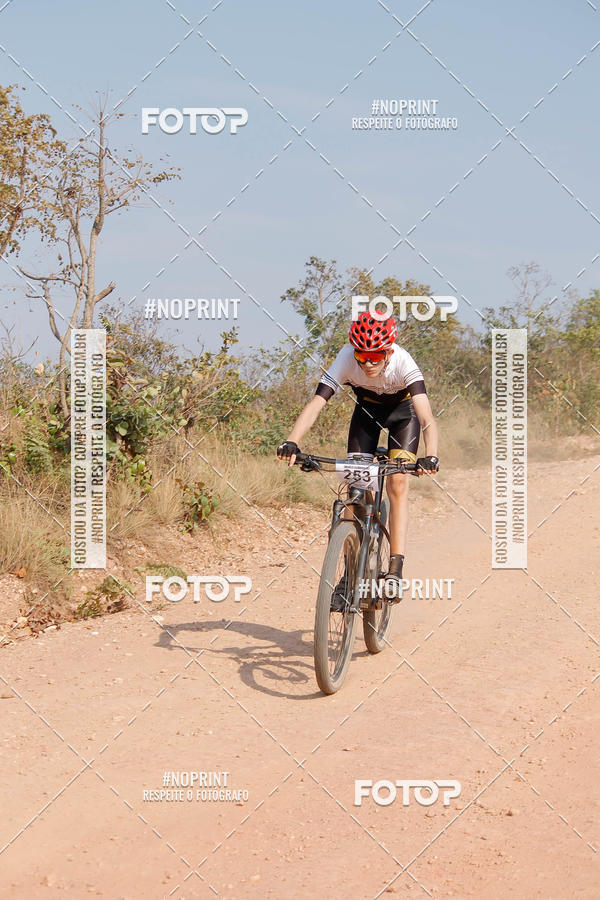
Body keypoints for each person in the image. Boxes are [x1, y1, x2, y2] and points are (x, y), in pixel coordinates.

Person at [276, 311, 439, 601]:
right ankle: (349, 575)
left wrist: (431, 456)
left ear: (388, 351)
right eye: (362, 356)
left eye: (376, 356)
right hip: (366, 415)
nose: (368, 363)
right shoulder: (346, 358)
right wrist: (291, 441)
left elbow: (426, 418)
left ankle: (395, 569)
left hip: (404, 417)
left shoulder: (403, 362)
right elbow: (316, 404)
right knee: (355, 488)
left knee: (397, 483)